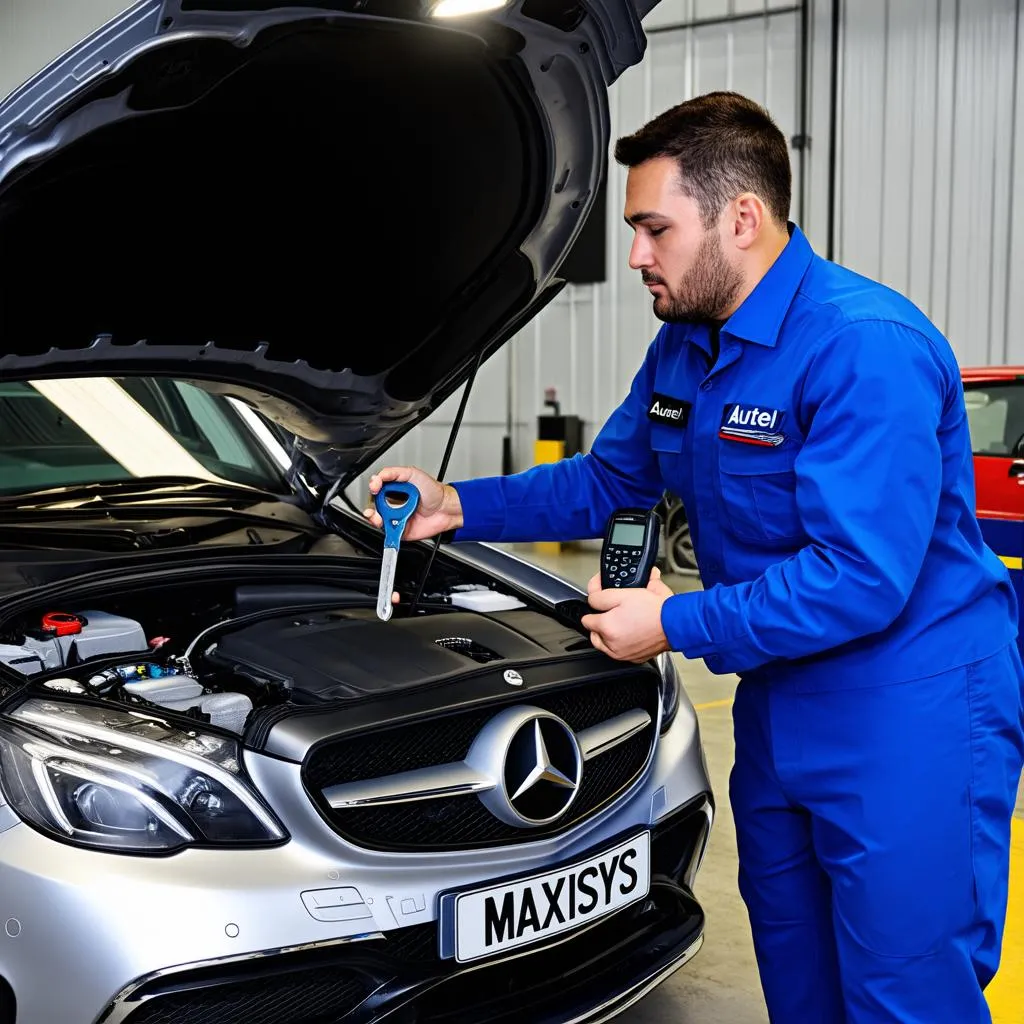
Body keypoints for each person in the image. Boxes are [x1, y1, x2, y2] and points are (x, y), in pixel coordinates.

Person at [364, 91, 1024, 1023]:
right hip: (781, 701)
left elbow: (859, 578)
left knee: (905, 993)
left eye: (654, 229)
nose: (635, 255)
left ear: (742, 219)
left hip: (908, 710)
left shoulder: (863, 347)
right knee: (796, 973)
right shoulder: (685, 348)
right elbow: (605, 482)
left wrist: (671, 621)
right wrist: (456, 503)